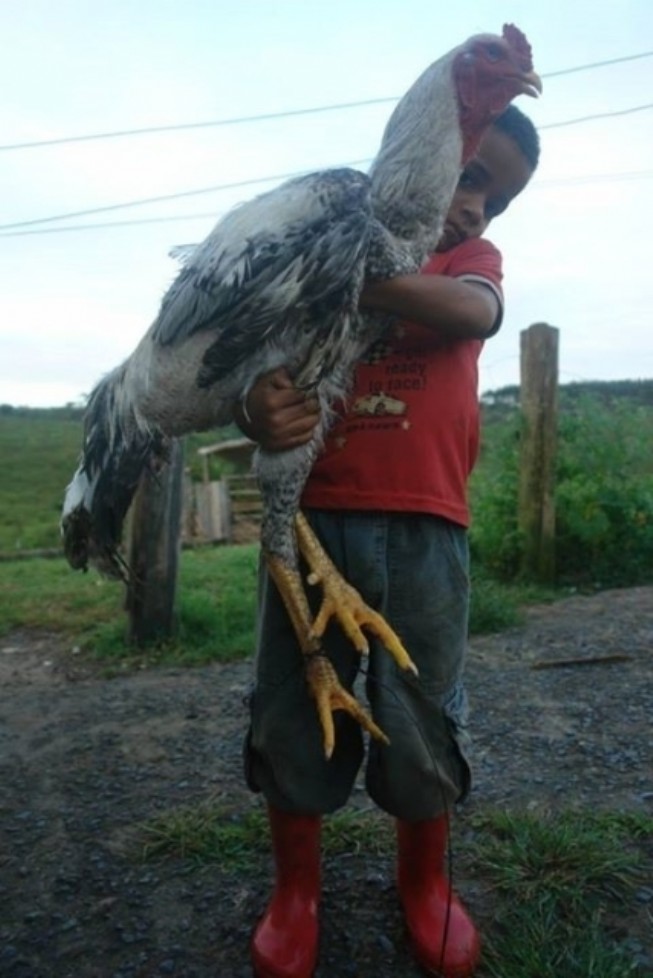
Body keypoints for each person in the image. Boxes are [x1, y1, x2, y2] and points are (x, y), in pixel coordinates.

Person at [236, 104, 540, 978]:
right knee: (294, 705)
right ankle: (296, 893)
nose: (480, 209)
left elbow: (474, 312)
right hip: (307, 522)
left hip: (425, 527)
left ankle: (424, 883)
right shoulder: (301, 261)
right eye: (474, 178)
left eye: (500, 200)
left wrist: (351, 279)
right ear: (420, 155)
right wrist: (253, 410)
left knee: (419, 709)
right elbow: (256, 377)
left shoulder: (463, 261)